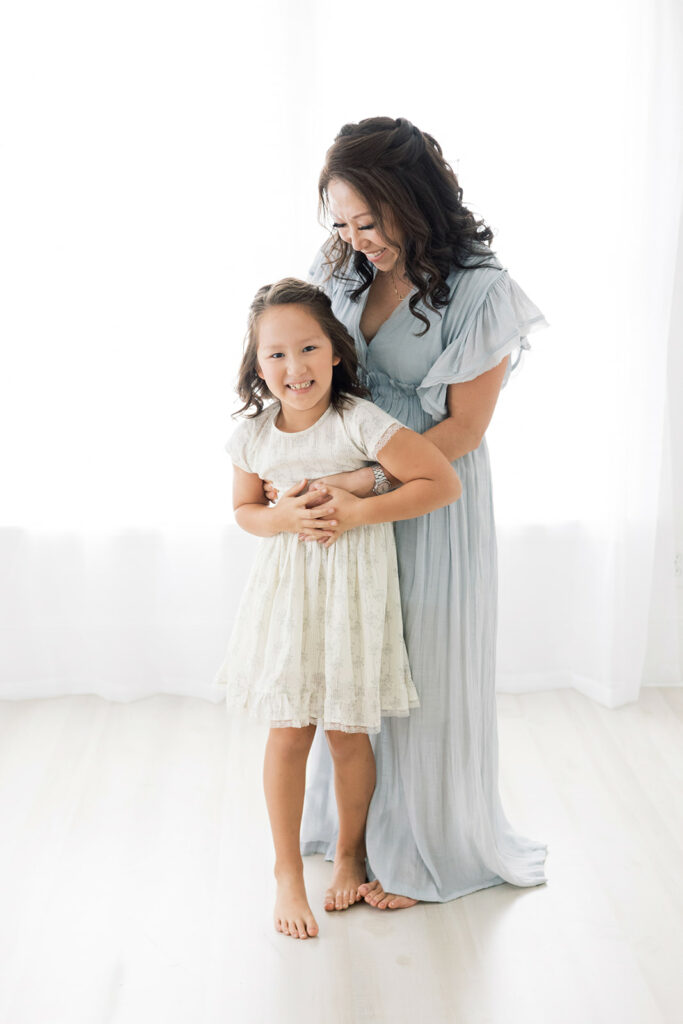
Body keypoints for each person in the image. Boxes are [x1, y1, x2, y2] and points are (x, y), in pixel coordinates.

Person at [264, 116, 550, 909]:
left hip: (426, 496)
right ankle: (351, 840)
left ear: (415, 202)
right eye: (342, 223)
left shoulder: (480, 288)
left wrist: (363, 485)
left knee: (419, 672)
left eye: (371, 221)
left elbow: (462, 428)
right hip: (343, 487)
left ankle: (418, 845)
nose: (357, 240)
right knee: (347, 666)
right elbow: (307, 361)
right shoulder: (345, 268)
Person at [214, 277, 462, 939]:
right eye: (275, 355)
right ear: (256, 364)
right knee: (288, 730)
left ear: (334, 353)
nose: (293, 368)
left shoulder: (359, 421)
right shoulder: (254, 434)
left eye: (307, 349)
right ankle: (287, 870)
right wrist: (279, 517)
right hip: (289, 598)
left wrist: (357, 508)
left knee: (348, 734)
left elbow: (440, 481)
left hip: (353, 596)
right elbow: (243, 511)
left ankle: (349, 852)